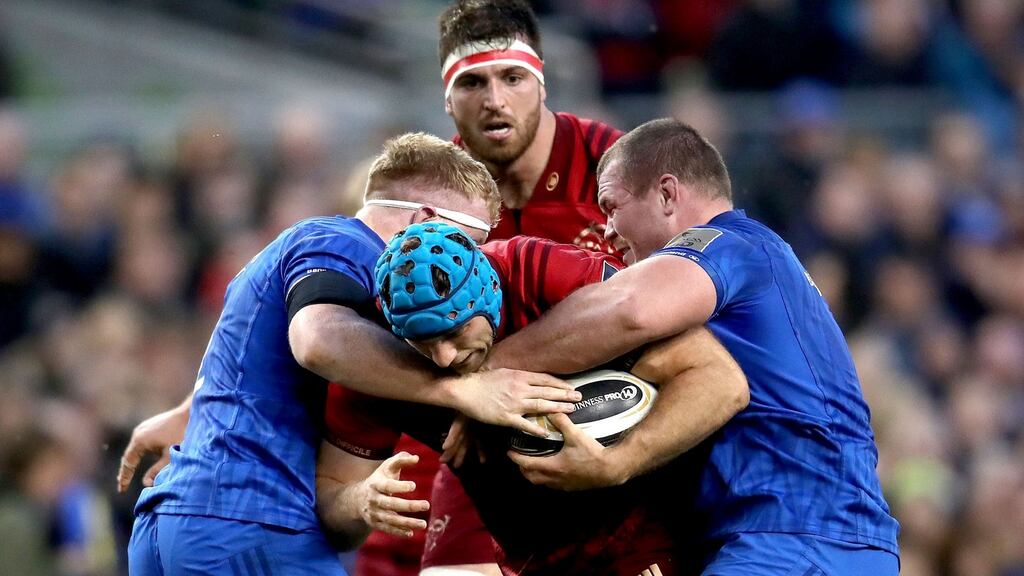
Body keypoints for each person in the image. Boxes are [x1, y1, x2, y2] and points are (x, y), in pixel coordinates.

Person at [123, 133, 580, 575]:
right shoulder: (345, 243)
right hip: (249, 521)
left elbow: (248, 360)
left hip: (181, 523)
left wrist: (189, 412)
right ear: (423, 221)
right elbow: (316, 340)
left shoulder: (290, 255)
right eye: (469, 243)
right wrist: (462, 391)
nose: (477, 265)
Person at [483, 118, 901, 574]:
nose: (606, 230)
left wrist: (488, 375)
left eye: (612, 206)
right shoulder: (768, 261)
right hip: (824, 536)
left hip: (796, 534)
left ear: (667, 194)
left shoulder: (729, 244)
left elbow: (627, 311)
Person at [357, 2, 626, 574]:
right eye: (473, 83)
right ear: (447, 99)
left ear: (542, 82)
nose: (494, 100)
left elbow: (666, 304)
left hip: (606, 413)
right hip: (473, 439)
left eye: (512, 78)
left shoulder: (614, 167)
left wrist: (489, 378)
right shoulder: (430, 199)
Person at [317, 222, 748, 575]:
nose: (444, 358)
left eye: (455, 332)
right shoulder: (383, 359)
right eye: (423, 343)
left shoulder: (541, 273)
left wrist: (621, 461)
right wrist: (361, 499)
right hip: (533, 559)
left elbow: (721, 380)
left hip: (649, 537)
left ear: (488, 294)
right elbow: (333, 509)